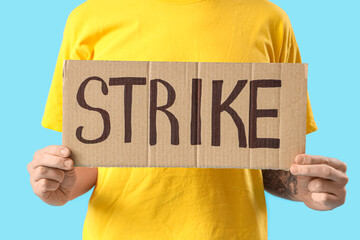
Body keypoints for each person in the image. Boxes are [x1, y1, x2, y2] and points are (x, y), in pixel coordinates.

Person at [27, 0, 348, 239]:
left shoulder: (270, 21)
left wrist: (304, 188)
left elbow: (267, 160)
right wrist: (60, 185)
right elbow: (92, 159)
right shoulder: (88, 19)